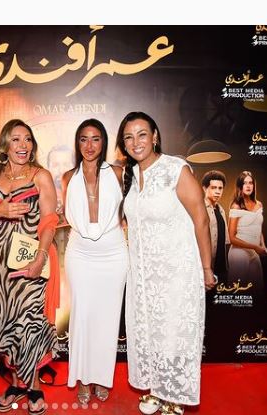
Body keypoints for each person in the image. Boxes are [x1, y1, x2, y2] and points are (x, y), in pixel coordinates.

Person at [117, 111, 216, 415]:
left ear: (155, 136)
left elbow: (201, 219)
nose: (136, 142)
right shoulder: (130, 175)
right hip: (144, 274)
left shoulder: (175, 169)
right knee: (151, 333)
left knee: (175, 334)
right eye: (129, 137)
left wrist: (206, 268)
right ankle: (157, 391)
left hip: (176, 270)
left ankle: (175, 397)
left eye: (142, 134)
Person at [0, 119, 60, 415]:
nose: (23, 145)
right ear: (5, 145)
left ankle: (34, 387)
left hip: (29, 265)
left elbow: (49, 222)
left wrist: (40, 258)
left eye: (28, 139)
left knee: (28, 325)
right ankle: (18, 384)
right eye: (16, 139)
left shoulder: (40, 176)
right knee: (6, 325)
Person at [60, 119, 127, 405]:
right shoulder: (67, 177)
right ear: (77, 143)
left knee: (108, 320)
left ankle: (101, 377)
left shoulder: (118, 172)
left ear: (103, 142)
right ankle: (84, 379)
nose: (89, 145)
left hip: (113, 253)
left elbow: (129, 211)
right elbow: (66, 215)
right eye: (84, 139)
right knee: (83, 317)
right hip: (81, 254)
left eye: (95, 139)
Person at [227, 171, 267, 295]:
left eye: (250, 183)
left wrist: (263, 245)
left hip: (254, 253)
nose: (248, 186)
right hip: (239, 253)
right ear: (240, 186)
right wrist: (255, 247)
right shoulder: (236, 206)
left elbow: (258, 229)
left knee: (257, 290)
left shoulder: (259, 204)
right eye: (245, 183)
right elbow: (231, 238)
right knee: (238, 292)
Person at [202, 170, 229, 280]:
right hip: (207, 268)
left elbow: (226, 241)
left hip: (222, 268)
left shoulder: (221, 210)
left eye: (220, 188)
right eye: (213, 188)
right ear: (205, 188)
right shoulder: (200, 209)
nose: (218, 191)